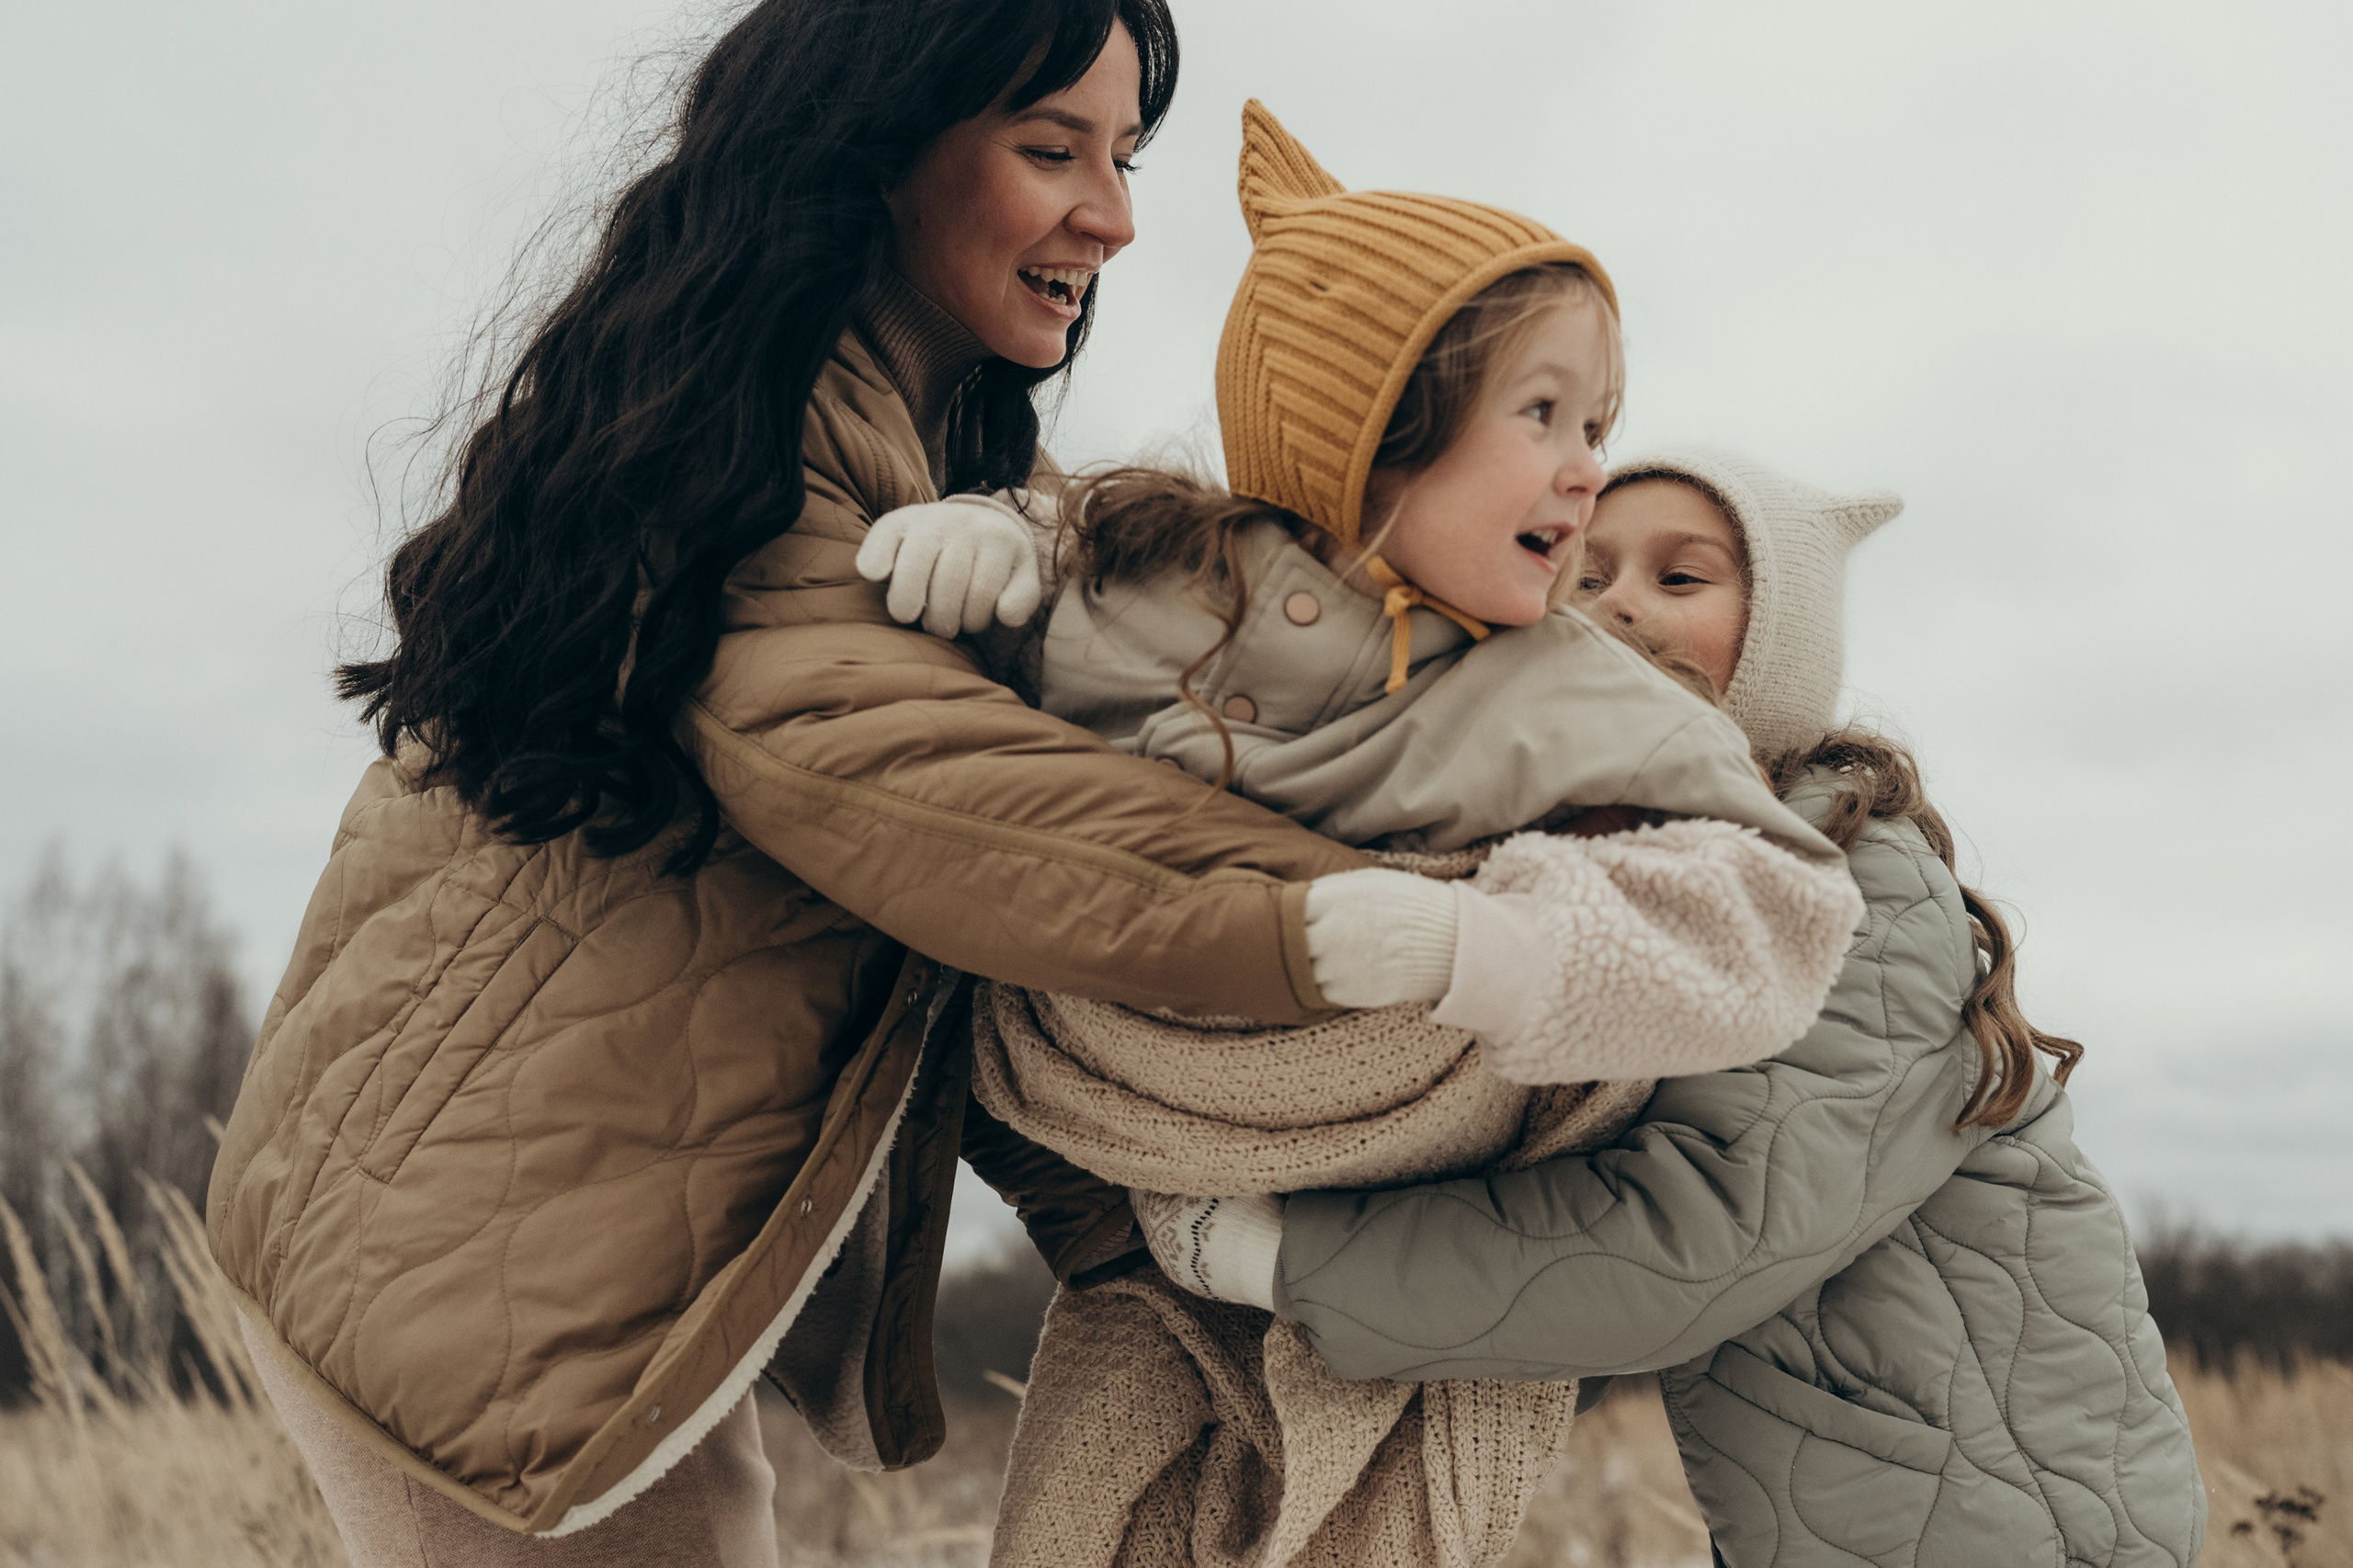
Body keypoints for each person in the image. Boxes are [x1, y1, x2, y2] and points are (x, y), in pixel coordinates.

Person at [204, 6, 1466, 1562]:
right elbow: (953, 817)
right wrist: (1426, 933)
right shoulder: (761, 459)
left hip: (522, 1241)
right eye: (1052, 147)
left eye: (1126, 157)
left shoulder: (917, 464)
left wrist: (1157, 1247)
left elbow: (997, 914)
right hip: (462, 1282)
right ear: (879, 148)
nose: (1118, 218)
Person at [870, 105, 1866, 1568]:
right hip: (1136, 1207)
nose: (1590, 467)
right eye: (1544, 417)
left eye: (1598, 425)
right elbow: (966, 757)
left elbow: (1782, 912)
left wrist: (1493, 941)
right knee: (1088, 1515)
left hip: (1390, 1212)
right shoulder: (1155, 566)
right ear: (1375, 425)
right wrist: (997, 545)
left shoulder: (1572, 686)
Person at [1157, 448, 2207, 1568]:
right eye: (1587, 569)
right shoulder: (1656, 888)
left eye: (1680, 577)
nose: (1617, 604)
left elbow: (1703, 1236)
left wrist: (1281, 1258)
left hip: (2010, 1533)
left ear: (1779, 645)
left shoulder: (1846, 881)